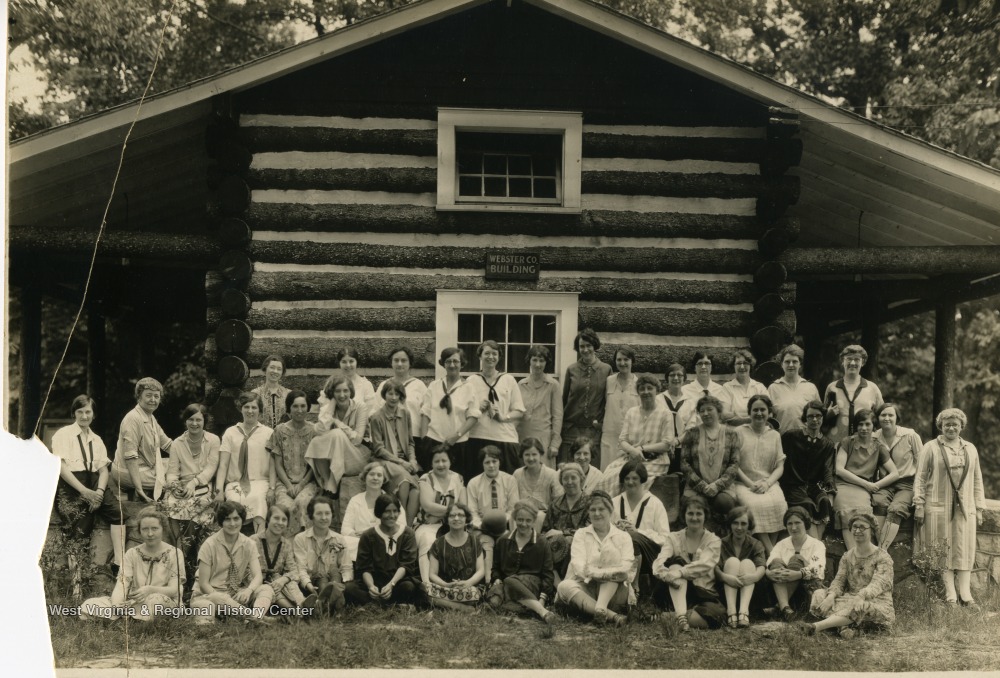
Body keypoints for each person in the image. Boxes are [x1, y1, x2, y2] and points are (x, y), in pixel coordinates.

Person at [913, 408, 986, 607]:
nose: (951, 427)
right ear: (941, 426)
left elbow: (977, 479)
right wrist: (918, 504)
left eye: (955, 424)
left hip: (965, 507)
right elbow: (919, 477)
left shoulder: (970, 448)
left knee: (964, 548)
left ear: (961, 426)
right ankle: (951, 596)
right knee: (944, 550)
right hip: (937, 506)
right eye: (947, 424)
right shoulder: (930, 447)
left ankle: (966, 595)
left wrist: (979, 508)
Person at [50, 395, 120, 592]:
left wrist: (98, 492)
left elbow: (104, 469)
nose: (84, 415)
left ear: (93, 414)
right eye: (80, 411)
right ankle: (76, 587)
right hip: (71, 483)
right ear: (74, 413)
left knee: (119, 513)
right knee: (78, 531)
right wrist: (84, 492)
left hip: (94, 483)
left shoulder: (96, 440)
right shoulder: (63, 435)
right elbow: (61, 467)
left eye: (88, 411)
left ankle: (119, 564)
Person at [108, 377, 173, 571]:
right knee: (172, 478)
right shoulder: (132, 419)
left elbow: (167, 444)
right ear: (139, 396)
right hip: (126, 471)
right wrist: (139, 488)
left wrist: (190, 452)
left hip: (145, 468)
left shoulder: (151, 418)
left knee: (177, 467)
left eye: (156, 396)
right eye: (148, 396)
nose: (153, 400)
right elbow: (131, 457)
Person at [797, 512, 894, 638]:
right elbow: (839, 580)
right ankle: (846, 626)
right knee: (819, 595)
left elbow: (879, 583)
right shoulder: (847, 556)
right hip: (850, 598)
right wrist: (831, 596)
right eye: (854, 527)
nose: (857, 530)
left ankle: (816, 627)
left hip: (876, 601)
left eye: (862, 527)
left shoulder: (882, 557)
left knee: (860, 607)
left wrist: (861, 596)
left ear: (872, 531)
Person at [80, 507, 185, 621]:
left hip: (163, 601)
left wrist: (150, 590)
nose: (150, 533)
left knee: (154, 602)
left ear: (163, 529)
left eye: (154, 528)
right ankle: (129, 616)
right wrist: (117, 605)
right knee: (89, 605)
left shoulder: (174, 553)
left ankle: (127, 618)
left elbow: (174, 589)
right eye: (145, 529)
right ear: (139, 531)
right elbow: (122, 583)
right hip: (134, 604)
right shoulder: (132, 553)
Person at [557, 490, 632, 626]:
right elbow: (578, 564)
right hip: (586, 589)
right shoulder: (581, 534)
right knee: (564, 586)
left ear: (610, 510)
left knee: (613, 575)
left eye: (601, 509)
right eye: (593, 510)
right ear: (588, 513)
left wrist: (602, 574)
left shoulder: (623, 536)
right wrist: (596, 575)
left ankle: (600, 609)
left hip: (614, 593)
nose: (597, 514)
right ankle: (612, 616)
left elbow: (626, 567)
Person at [651, 495, 726, 631]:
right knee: (675, 562)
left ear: (705, 515)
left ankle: (669, 616)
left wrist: (680, 572)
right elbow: (659, 561)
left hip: (702, 593)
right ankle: (681, 615)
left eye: (699, 514)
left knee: (718, 616)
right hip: (675, 591)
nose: (694, 518)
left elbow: (704, 565)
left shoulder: (713, 541)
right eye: (690, 513)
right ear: (684, 515)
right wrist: (665, 573)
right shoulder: (673, 537)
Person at [189, 501, 271, 624]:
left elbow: (258, 576)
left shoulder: (249, 544)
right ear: (221, 521)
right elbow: (203, 584)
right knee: (209, 606)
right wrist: (223, 599)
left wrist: (248, 590)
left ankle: (253, 618)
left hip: (234, 595)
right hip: (209, 596)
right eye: (227, 519)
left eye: (236, 518)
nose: (232, 523)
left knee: (266, 588)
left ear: (242, 520)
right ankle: (254, 618)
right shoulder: (209, 545)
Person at [598, 373, 674, 496]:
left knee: (632, 479)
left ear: (657, 390)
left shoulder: (665, 414)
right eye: (642, 389)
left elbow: (667, 444)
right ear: (638, 391)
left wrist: (642, 449)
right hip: (630, 458)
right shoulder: (631, 412)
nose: (646, 392)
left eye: (650, 388)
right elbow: (622, 440)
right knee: (607, 477)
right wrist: (632, 451)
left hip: (655, 461)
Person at [833, 409, 899, 549]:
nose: (864, 428)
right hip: (844, 485)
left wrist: (876, 485)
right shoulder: (847, 442)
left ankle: (864, 554)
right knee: (846, 510)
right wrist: (866, 484)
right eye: (860, 424)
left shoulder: (879, 446)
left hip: (863, 490)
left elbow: (894, 473)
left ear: (873, 426)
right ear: (855, 427)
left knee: (863, 514)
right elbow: (839, 469)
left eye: (867, 424)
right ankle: (853, 555)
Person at [345, 494, 423, 607]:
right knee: (350, 589)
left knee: (408, 587)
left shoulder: (408, 533)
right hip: (375, 581)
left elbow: (406, 565)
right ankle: (391, 605)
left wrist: (391, 584)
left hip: (397, 581)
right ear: (379, 513)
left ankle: (376, 605)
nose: (392, 515)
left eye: (395, 511)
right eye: (387, 511)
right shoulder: (368, 535)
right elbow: (364, 567)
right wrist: (371, 587)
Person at [733, 395, 787, 552]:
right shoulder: (739, 432)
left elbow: (779, 466)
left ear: (769, 412)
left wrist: (767, 483)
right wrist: (751, 484)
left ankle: (768, 551)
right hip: (743, 484)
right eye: (755, 410)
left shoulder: (775, 435)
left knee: (779, 504)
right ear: (749, 412)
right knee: (754, 505)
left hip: (768, 483)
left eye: (762, 410)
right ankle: (772, 553)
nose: (759, 413)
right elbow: (734, 464)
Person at [490, 501, 558, 624]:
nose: (524, 524)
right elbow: (495, 569)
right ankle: (530, 609)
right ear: (515, 519)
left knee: (509, 581)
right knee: (494, 602)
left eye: (528, 520)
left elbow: (548, 575)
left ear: (534, 521)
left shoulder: (542, 542)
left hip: (532, 585)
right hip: (507, 585)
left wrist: (543, 598)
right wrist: (496, 579)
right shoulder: (503, 540)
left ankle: (541, 611)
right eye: (520, 520)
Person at [218, 392, 274, 535]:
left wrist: (272, 488)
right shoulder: (230, 433)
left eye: (254, 407)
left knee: (258, 499)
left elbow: (273, 463)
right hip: (235, 483)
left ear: (259, 410)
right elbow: (223, 464)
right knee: (234, 501)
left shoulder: (268, 433)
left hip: (260, 481)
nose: (250, 411)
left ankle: (258, 541)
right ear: (241, 409)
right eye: (246, 407)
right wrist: (218, 490)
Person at [779, 400, 837, 539]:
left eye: (818, 416)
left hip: (814, 486)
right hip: (793, 485)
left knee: (823, 502)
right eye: (811, 416)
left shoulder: (827, 444)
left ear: (823, 417)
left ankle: (816, 546)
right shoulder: (791, 436)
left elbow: (828, 471)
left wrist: (830, 495)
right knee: (807, 504)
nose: (815, 419)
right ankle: (817, 547)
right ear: (805, 418)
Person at [466, 340, 526, 475]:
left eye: (494, 353)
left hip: (505, 439)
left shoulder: (508, 380)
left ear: (499, 356)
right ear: (480, 356)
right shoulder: (471, 381)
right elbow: (464, 412)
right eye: (486, 353)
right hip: (477, 438)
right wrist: (477, 408)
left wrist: (504, 417)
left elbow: (519, 411)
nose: (490, 357)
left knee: (507, 483)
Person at [419, 347, 480, 478]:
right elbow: (425, 413)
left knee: (457, 481)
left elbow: (473, 417)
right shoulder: (434, 385)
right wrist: (424, 438)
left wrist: (456, 436)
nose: (452, 365)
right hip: (433, 441)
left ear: (462, 363)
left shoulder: (468, 387)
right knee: (430, 479)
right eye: (448, 361)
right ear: (443, 364)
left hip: (458, 444)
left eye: (456, 361)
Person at [306, 375, 371, 497]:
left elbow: (357, 440)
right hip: (338, 458)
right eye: (337, 391)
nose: (342, 395)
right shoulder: (329, 408)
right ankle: (327, 482)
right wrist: (331, 405)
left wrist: (337, 422)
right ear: (332, 393)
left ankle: (333, 484)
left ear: (351, 391)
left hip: (358, 456)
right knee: (316, 441)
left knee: (337, 433)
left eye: (345, 391)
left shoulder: (360, 407)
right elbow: (321, 431)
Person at [611, 460, 670, 591]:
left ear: (642, 479)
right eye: (627, 478)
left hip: (648, 554)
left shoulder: (655, 504)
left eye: (635, 478)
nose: (630, 482)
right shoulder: (614, 502)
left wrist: (638, 532)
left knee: (632, 538)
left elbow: (665, 538)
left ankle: (634, 587)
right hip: (618, 551)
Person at [679, 395, 741, 521]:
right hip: (695, 486)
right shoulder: (692, 433)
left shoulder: (731, 433)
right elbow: (684, 463)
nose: (705, 413)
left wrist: (717, 486)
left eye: (709, 409)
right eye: (702, 411)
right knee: (693, 506)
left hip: (723, 487)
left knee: (724, 503)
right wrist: (702, 486)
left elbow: (734, 464)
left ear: (718, 411)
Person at [872, 402, 924, 550]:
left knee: (896, 509)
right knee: (879, 503)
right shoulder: (874, 437)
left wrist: (920, 493)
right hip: (884, 483)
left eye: (890, 415)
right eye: (883, 415)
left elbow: (922, 465)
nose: (887, 418)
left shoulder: (910, 435)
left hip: (906, 484)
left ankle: (881, 551)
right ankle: (880, 552)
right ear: (878, 418)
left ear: (897, 417)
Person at [267, 390, 320, 534]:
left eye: (303, 406)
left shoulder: (314, 431)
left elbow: (314, 464)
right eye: (295, 406)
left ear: (308, 408)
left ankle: (305, 543)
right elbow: (277, 463)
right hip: (284, 483)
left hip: (308, 483)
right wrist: (289, 485)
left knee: (302, 503)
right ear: (289, 408)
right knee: (285, 507)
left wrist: (302, 484)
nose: (299, 410)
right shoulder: (280, 430)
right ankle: (286, 545)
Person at [368, 379, 420, 523]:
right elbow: (378, 449)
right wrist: (402, 462)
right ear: (384, 395)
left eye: (397, 394)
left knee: (416, 490)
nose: (393, 397)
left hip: (403, 461)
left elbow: (410, 442)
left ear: (401, 396)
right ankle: (399, 521)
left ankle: (407, 528)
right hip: (385, 460)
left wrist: (413, 460)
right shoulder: (376, 417)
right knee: (403, 480)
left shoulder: (406, 414)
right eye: (390, 394)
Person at [164, 404, 220, 537]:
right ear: (185, 421)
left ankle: (190, 550)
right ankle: (177, 548)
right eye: (190, 419)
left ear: (204, 421)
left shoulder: (213, 440)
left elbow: (211, 468)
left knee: (197, 505)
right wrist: (174, 486)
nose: (194, 423)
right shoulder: (177, 443)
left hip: (204, 485)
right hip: (182, 486)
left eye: (198, 420)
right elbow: (172, 472)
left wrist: (194, 483)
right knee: (171, 504)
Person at [414, 445, 467, 586]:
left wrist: (442, 515)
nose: (441, 464)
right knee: (427, 539)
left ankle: (458, 582)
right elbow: (427, 506)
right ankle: (427, 584)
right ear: (431, 463)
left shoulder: (458, 478)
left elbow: (463, 507)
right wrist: (453, 511)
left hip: (453, 524)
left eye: (444, 460)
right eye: (436, 461)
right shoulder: (426, 479)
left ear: (450, 461)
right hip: (428, 524)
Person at [559, 328, 613, 465]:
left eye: (588, 345)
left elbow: (609, 402)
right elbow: (564, 400)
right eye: (581, 346)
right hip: (571, 429)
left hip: (593, 430)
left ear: (595, 345)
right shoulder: (572, 370)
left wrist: (600, 425)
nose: (585, 349)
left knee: (591, 470)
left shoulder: (606, 369)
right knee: (569, 469)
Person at [292, 495, 352, 617]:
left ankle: (322, 606)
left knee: (337, 584)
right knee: (322, 584)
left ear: (332, 515)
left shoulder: (339, 539)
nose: (324, 518)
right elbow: (301, 569)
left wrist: (341, 586)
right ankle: (331, 607)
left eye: (327, 513)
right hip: (311, 583)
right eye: (319, 513)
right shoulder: (300, 538)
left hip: (335, 580)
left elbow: (346, 567)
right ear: (311, 515)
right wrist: (309, 586)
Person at [465, 445, 519, 581]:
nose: (491, 465)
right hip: (482, 527)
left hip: (504, 525)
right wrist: (485, 524)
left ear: (500, 461)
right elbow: (471, 512)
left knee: (506, 541)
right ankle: (489, 581)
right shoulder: (474, 483)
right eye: (487, 462)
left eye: (494, 461)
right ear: (482, 464)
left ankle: (508, 579)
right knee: (486, 542)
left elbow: (513, 508)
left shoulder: (510, 480)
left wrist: (499, 520)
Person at [250, 505, 313, 617]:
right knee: (272, 587)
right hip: (258, 582)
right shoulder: (254, 540)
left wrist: (283, 579)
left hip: (278, 582)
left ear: (287, 524)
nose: (280, 522)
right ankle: (300, 611)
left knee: (289, 582)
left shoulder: (286, 544)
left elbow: (294, 571)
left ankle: (302, 603)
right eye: (276, 518)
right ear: (268, 520)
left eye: (284, 520)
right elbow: (246, 569)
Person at [765, 507, 826, 620]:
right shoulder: (781, 544)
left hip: (806, 589)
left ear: (806, 524)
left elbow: (818, 569)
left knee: (796, 559)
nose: (793, 527)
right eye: (790, 523)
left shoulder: (816, 545)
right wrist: (768, 573)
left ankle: (779, 607)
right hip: (780, 589)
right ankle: (785, 608)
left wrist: (798, 574)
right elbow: (770, 562)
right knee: (776, 562)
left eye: (798, 523)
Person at [341, 461, 408, 563]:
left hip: (383, 540)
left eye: (379, 475)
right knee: (342, 541)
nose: (375, 478)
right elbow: (345, 529)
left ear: (383, 479)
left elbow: (402, 526)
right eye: (371, 474)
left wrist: (373, 534)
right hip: (360, 542)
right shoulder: (355, 500)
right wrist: (359, 536)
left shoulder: (391, 500)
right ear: (365, 477)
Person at [427, 503, 486, 612]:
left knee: (473, 594)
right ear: (447, 519)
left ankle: (446, 605)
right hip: (446, 589)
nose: (456, 518)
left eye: (460, 515)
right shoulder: (438, 543)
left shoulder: (474, 541)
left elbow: (481, 570)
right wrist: (446, 585)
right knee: (424, 589)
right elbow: (432, 574)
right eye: (452, 515)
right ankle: (464, 608)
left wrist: (468, 583)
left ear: (466, 519)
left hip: (469, 589)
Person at [823, 344, 884, 445]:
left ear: (863, 362)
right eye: (848, 359)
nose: (852, 363)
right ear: (842, 361)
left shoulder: (872, 388)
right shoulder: (832, 387)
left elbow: (881, 418)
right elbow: (820, 419)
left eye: (857, 359)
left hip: (863, 448)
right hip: (836, 444)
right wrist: (827, 415)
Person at [716, 506, 766, 629]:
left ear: (749, 525)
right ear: (730, 524)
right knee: (732, 561)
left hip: (748, 593)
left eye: (743, 523)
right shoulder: (720, 543)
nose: (739, 528)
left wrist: (753, 577)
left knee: (747, 563)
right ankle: (731, 612)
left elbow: (762, 567)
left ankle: (744, 613)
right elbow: (714, 567)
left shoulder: (755, 544)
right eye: (735, 523)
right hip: (726, 592)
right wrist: (725, 577)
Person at [517, 345, 564, 469]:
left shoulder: (553, 385)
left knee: (544, 475)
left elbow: (558, 417)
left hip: (544, 440)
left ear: (546, 362)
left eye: (541, 360)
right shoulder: (521, 384)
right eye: (534, 360)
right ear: (529, 361)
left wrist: (554, 444)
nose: (538, 364)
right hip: (523, 438)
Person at [542, 462, 591, 579]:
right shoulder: (555, 504)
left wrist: (562, 533)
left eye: (573, 478)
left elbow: (589, 531)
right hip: (554, 549)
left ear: (581, 480)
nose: (569, 482)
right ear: (561, 481)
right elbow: (545, 531)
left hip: (582, 546)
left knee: (569, 542)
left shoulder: (590, 503)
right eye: (565, 478)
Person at [374, 346, 429, 447]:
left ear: (410, 363)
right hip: (388, 437)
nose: (399, 364)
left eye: (403, 360)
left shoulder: (419, 385)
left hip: (413, 437)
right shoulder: (384, 385)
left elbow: (426, 413)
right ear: (391, 363)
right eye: (396, 360)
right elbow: (375, 412)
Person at [601, 346, 640, 471]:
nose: (622, 363)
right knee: (607, 473)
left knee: (627, 474)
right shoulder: (609, 381)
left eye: (626, 359)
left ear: (632, 361)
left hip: (631, 439)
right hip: (610, 436)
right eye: (619, 360)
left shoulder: (639, 384)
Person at [767, 344, 821, 434]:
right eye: (787, 362)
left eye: (795, 361)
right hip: (782, 441)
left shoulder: (811, 388)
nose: (791, 365)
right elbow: (768, 419)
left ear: (800, 364)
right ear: (781, 364)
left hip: (806, 441)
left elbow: (819, 416)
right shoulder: (773, 388)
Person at [513, 438, 563, 532]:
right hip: (521, 514)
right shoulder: (517, 474)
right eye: (527, 455)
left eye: (534, 454)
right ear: (522, 456)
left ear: (540, 455)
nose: (531, 458)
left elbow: (559, 501)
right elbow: (513, 500)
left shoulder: (551, 474)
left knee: (538, 516)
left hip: (544, 517)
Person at [660, 363, 697, 470]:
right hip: (662, 448)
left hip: (683, 448)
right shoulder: (658, 399)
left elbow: (691, 428)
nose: (676, 378)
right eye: (672, 375)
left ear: (684, 379)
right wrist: (667, 441)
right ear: (667, 378)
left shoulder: (691, 402)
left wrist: (677, 441)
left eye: (679, 375)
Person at [318, 346, 376, 411]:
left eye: (351, 361)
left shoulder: (366, 385)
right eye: (344, 362)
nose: (348, 365)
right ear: (339, 363)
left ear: (357, 362)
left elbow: (369, 412)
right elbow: (325, 409)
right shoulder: (331, 383)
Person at [723, 349, 768, 426]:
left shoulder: (760, 387)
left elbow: (768, 413)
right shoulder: (727, 387)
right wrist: (754, 417)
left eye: (745, 363)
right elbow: (724, 414)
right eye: (738, 363)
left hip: (756, 432)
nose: (742, 366)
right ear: (733, 366)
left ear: (751, 365)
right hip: (735, 433)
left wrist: (738, 417)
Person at [682, 352, 732, 421]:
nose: (703, 367)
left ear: (711, 367)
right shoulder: (684, 391)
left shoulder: (721, 390)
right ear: (694, 368)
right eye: (700, 364)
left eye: (707, 363)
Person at [252, 354, 291, 429]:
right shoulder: (256, 394)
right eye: (272, 368)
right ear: (265, 369)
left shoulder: (288, 394)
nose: (275, 371)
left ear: (282, 372)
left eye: (279, 369)